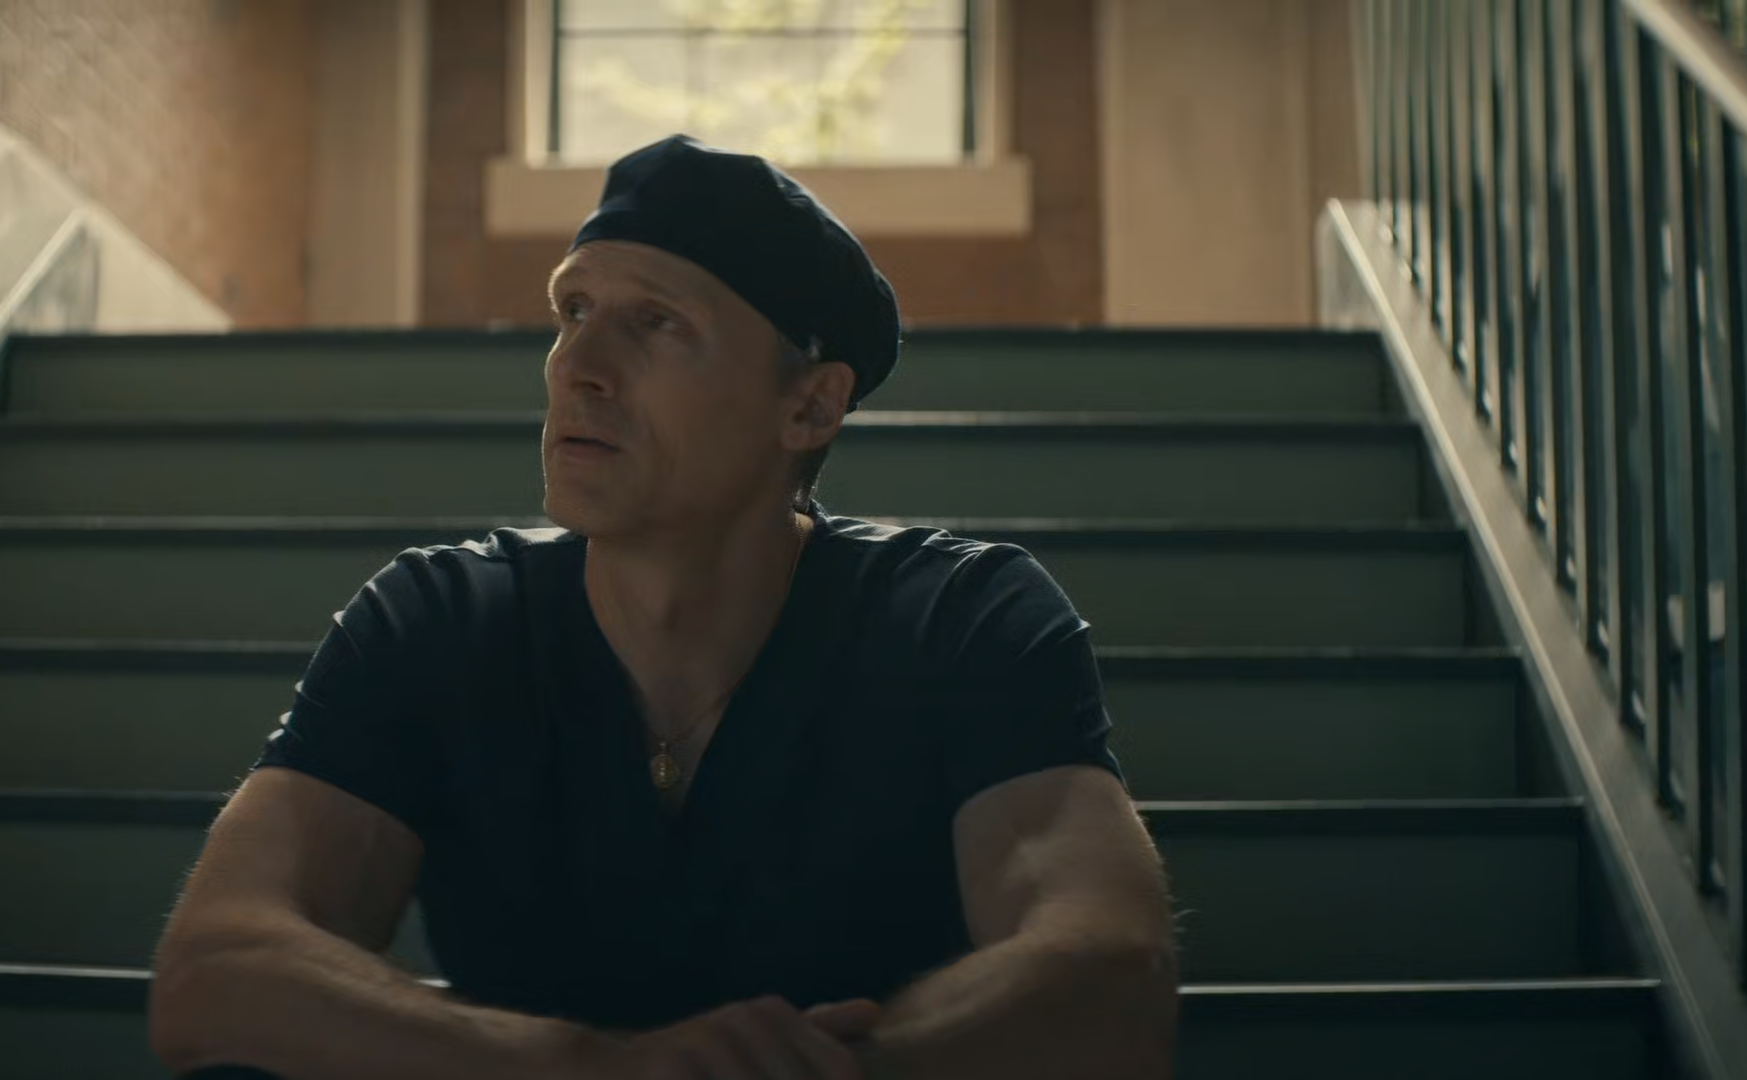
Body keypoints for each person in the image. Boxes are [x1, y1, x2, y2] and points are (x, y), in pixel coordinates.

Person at [148, 134, 1177, 1080]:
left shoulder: (961, 619)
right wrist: (595, 1067)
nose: (578, 368)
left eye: (655, 323)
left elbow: (1108, 968)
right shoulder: (437, 620)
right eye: (573, 313)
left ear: (809, 404)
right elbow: (218, 969)